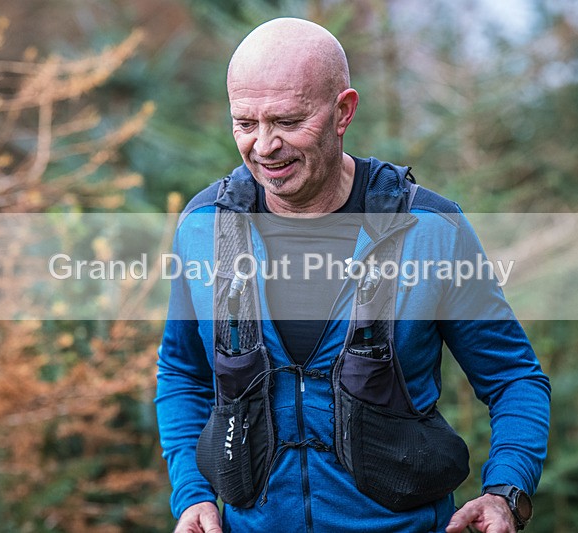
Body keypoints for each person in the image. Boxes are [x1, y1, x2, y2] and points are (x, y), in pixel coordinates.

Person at [156, 17, 550, 533]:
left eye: (288, 121)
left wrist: (505, 492)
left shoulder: (429, 229)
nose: (265, 146)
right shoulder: (204, 227)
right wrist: (191, 494)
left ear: (343, 111)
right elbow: (182, 374)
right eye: (246, 124)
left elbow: (514, 378)